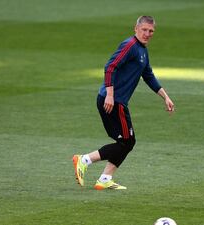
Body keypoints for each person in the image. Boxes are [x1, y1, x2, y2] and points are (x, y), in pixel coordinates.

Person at [72, 16, 174, 190]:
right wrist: (110, 95)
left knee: (126, 142)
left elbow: (148, 75)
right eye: (144, 30)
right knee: (127, 141)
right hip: (113, 101)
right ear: (136, 28)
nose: (147, 34)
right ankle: (84, 160)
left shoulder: (142, 50)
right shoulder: (130, 46)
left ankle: (105, 178)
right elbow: (110, 67)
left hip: (116, 101)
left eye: (151, 31)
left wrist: (165, 96)